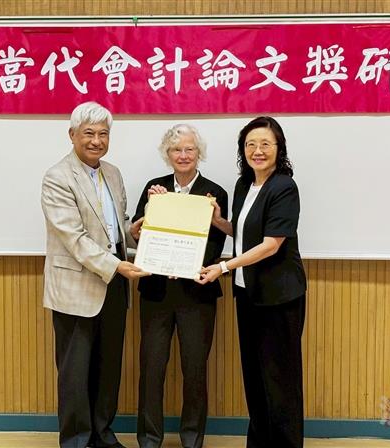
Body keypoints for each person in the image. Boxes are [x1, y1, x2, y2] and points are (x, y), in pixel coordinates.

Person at [41, 101, 149, 448]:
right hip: (76, 288)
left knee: (108, 368)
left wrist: (139, 230)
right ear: (72, 135)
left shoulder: (113, 173)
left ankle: (103, 433)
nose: (96, 141)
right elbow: (73, 237)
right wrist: (116, 264)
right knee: (75, 373)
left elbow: (113, 230)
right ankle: (75, 439)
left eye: (103, 134)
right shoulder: (57, 177)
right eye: (89, 133)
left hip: (114, 285)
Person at [196, 116, 307, 448]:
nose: (257, 151)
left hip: (280, 298)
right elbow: (244, 233)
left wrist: (224, 266)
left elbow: (271, 244)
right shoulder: (244, 184)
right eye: (250, 145)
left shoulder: (284, 186)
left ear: (279, 149)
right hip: (248, 294)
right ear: (242, 150)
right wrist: (218, 221)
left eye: (265, 144)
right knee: (255, 377)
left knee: (280, 379)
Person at [129, 124, 228, 448]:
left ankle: (192, 439)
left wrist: (187, 266)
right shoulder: (153, 189)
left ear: (199, 154)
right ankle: (148, 439)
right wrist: (145, 221)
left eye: (189, 150)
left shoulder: (214, 193)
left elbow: (215, 244)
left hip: (196, 294)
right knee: (152, 368)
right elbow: (139, 234)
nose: (183, 155)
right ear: (167, 154)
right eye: (176, 150)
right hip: (156, 292)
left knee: (195, 371)